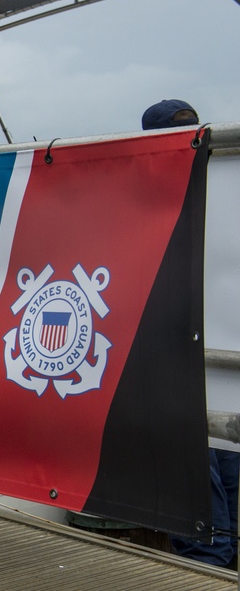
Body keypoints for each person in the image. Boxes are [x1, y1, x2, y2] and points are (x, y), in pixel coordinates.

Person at [142, 98, 238, 567]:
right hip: (174, 378)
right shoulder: (143, 202)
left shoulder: (221, 192)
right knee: (207, 530)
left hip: (218, 375)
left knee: (226, 514)